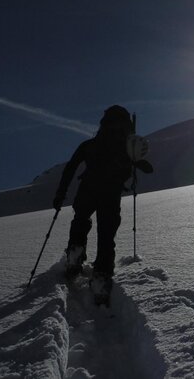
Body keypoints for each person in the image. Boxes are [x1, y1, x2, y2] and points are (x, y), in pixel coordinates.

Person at [53, 105, 134, 301]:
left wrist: (61, 193)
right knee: (106, 234)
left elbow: (70, 168)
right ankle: (101, 278)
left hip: (87, 190)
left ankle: (75, 253)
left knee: (81, 220)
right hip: (111, 193)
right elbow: (133, 167)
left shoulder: (89, 145)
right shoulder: (126, 146)